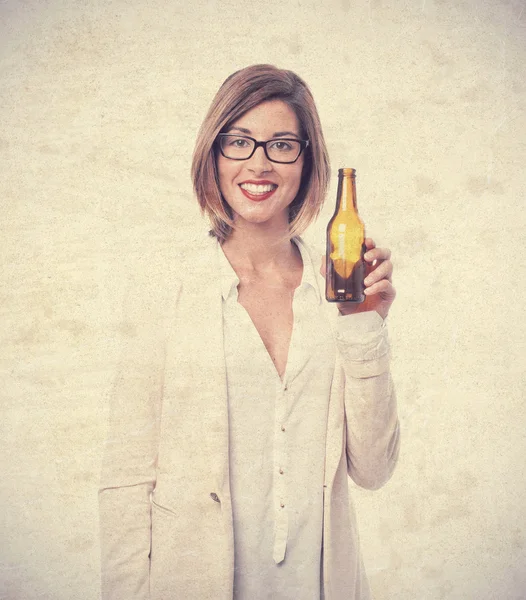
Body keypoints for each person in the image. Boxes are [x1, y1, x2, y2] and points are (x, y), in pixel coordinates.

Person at [98, 63, 400, 600]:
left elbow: (373, 470)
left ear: (308, 162)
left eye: (282, 144)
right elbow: (126, 480)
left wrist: (365, 326)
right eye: (238, 142)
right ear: (213, 155)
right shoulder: (165, 289)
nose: (259, 163)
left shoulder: (336, 295)